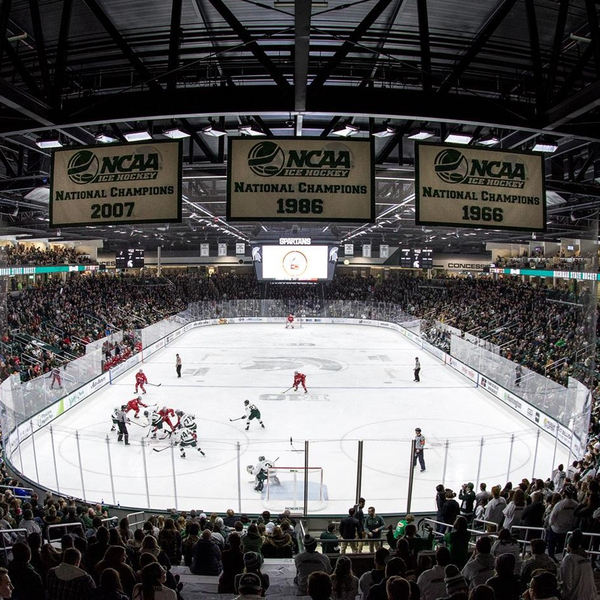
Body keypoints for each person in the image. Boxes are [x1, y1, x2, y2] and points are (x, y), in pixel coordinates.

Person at [560, 529, 596, 600]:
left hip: (576, 596)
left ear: (569, 545)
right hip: (590, 595)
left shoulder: (569, 559)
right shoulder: (586, 558)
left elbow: (567, 583)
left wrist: (562, 595)